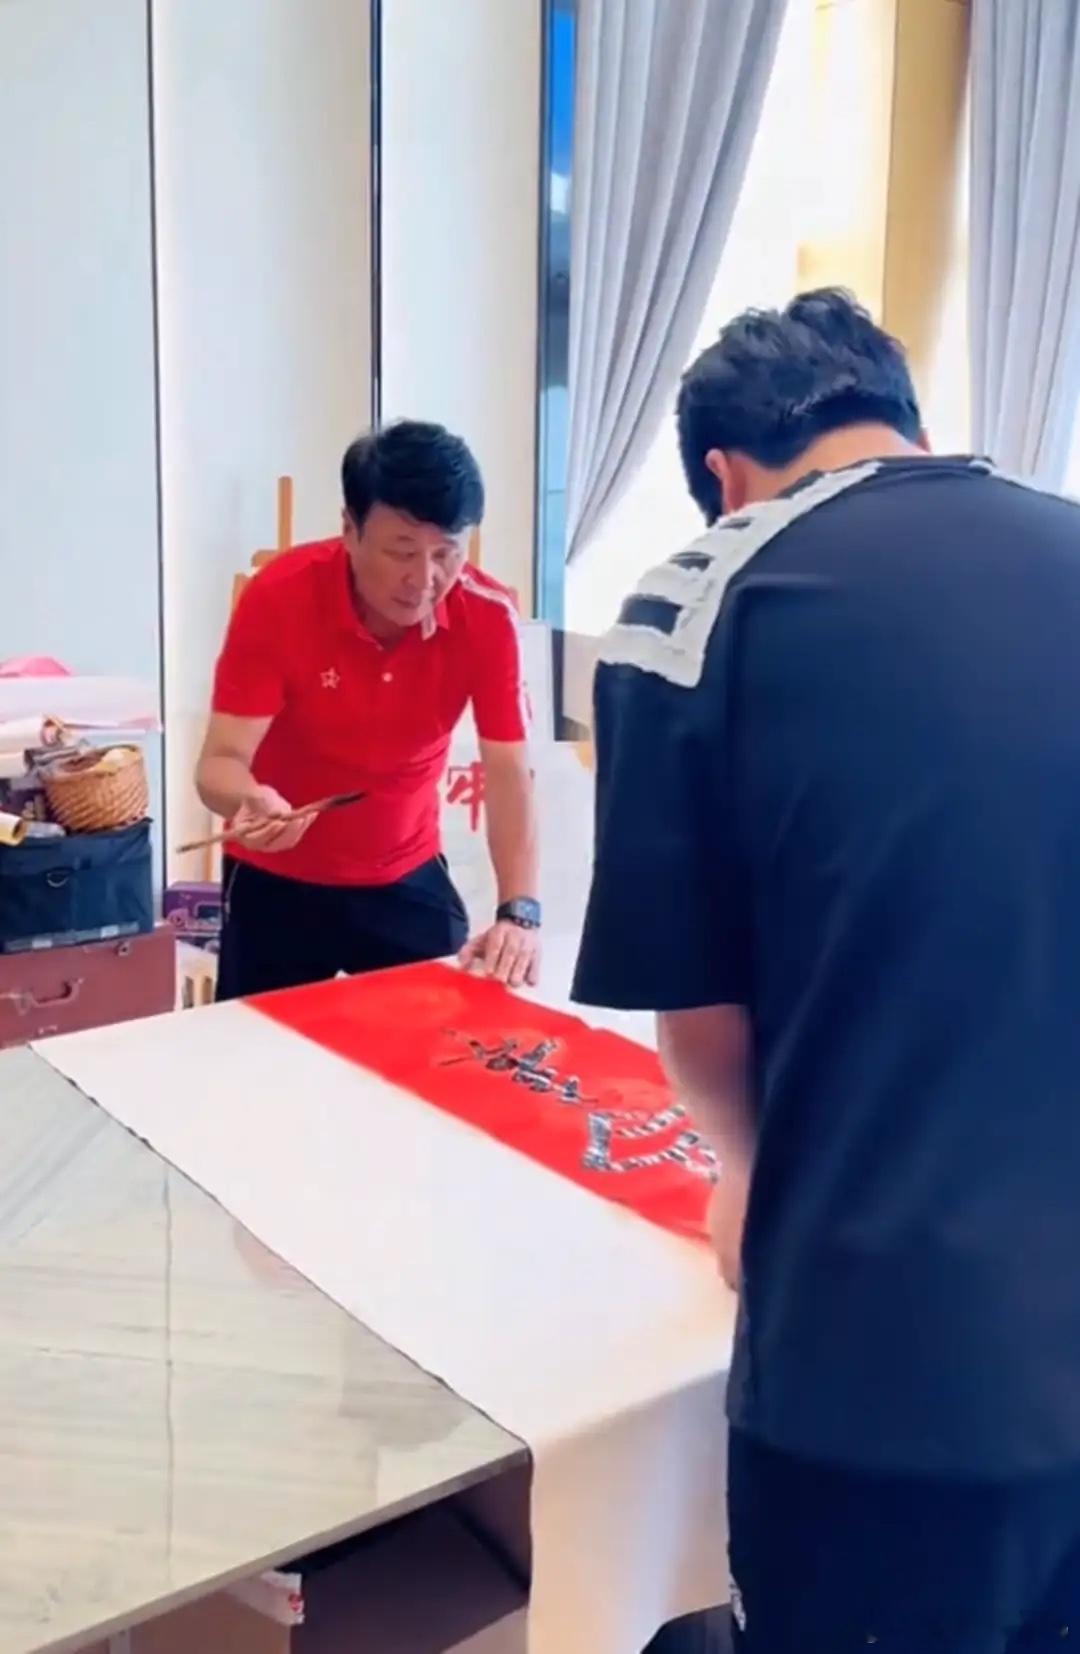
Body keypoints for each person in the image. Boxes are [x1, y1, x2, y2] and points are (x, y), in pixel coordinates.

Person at [573, 289, 1080, 1653]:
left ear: (723, 476)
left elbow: (703, 1029)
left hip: (885, 1372)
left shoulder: (701, 598)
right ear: (903, 415)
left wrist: (744, 1175)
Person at [197, 420, 541, 1001]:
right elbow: (217, 765)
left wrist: (519, 911)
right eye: (401, 552)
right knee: (257, 1049)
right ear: (349, 531)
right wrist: (247, 798)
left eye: (446, 554)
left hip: (404, 871)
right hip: (278, 878)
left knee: (444, 1035)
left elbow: (509, 772)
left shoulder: (486, 616)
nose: (424, 580)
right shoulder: (280, 597)